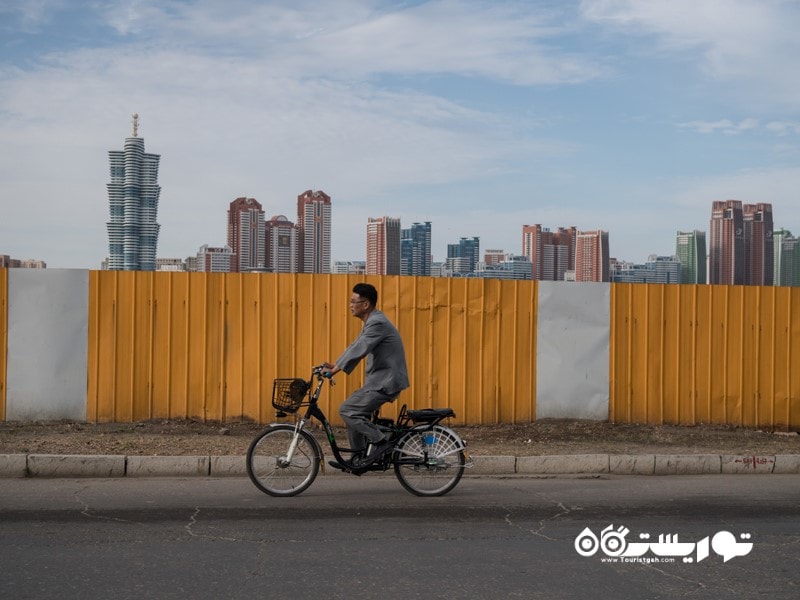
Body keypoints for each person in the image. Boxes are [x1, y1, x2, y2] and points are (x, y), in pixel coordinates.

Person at [322, 283, 409, 466]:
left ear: (366, 304)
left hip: (387, 382)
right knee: (353, 411)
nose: (350, 305)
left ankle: (382, 441)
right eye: (350, 301)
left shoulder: (377, 322)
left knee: (348, 410)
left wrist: (335, 371)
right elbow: (356, 345)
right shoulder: (372, 321)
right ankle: (359, 457)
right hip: (379, 381)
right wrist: (335, 365)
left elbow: (361, 349)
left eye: (353, 301)